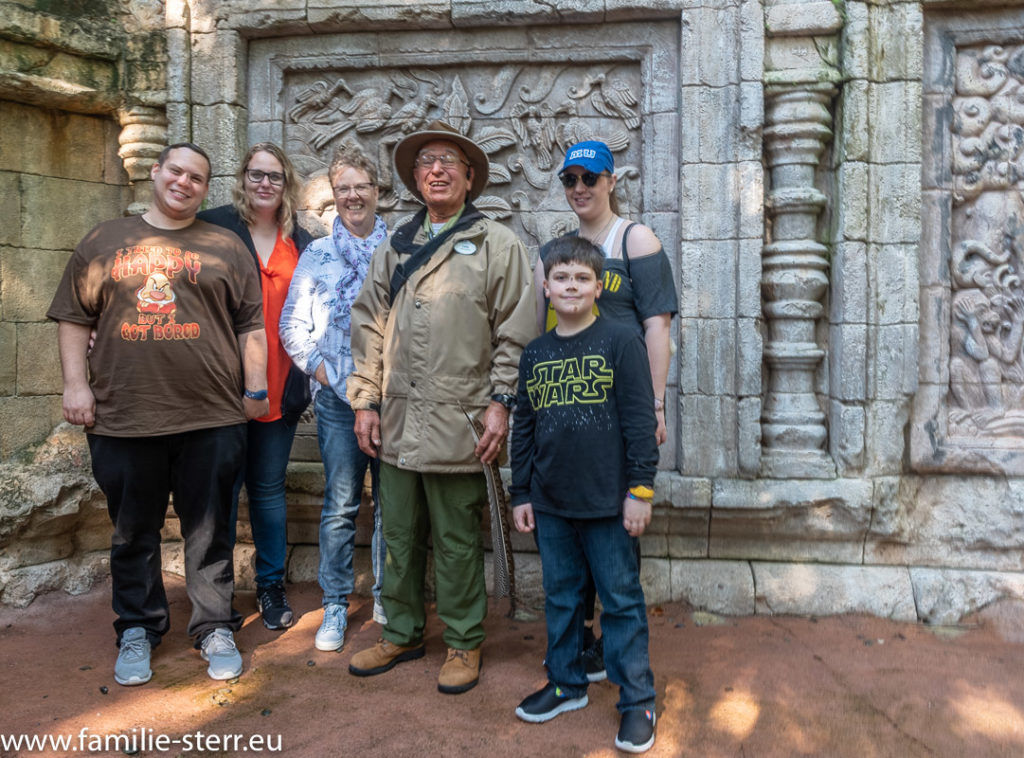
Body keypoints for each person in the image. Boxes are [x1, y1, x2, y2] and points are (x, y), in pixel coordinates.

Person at [47, 143, 268, 685]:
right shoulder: (104, 240)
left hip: (212, 416)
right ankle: (138, 630)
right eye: (176, 171)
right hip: (124, 417)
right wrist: (76, 386)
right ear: (156, 172)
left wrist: (256, 391)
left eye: (197, 178)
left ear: (206, 188)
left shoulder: (226, 246)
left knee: (211, 529)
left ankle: (214, 625)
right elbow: (74, 318)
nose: (184, 183)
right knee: (132, 532)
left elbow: (250, 327)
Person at [345, 121, 536, 694]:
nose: (437, 169)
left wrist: (501, 405)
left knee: (455, 538)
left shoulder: (498, 245)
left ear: (470, 177)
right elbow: (368, 326)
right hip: (399, 421)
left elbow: (516, 334)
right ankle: (401, 632)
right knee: (398, 534)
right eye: (427, 161)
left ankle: (463, 640)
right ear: (414, 178)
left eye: (450, 160)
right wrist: (366, 402)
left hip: (462, 420)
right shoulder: (394, 246)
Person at [536, 139, 677, 682]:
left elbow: (656, 324)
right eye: (570, 179)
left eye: (589, 179)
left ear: (611, 181)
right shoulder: (562, 249)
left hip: (624, 406)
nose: (579, 189)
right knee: (575, 523)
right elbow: (547, 328)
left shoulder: (634, 238)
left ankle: (619, 657)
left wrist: (657, 403)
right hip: (573, 408)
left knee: (616, 528)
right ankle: (584, 643)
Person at [511, 236, 659, 754]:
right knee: (561, 598)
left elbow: (641, 423)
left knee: (620, 601)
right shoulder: (536, 354)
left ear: (598, 286)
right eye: (561, 278)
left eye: (581, 278)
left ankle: (637, 699)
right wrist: (520, 492)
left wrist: (640, 489)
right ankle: (566, 682)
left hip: (608, 503)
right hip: (552, 504)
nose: (571, 286)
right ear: (546, 288)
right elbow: (524, 426)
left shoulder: (621, 342)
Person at [197, 142, 312, 631]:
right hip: (222, 388)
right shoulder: (214, 226)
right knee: (218, 492)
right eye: (255, 174)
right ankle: (215, 595)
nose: (264, 184)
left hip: (280, 386)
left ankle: (269, 586)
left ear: (287, 185)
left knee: (266, 490)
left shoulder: (303, 242)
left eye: (274, 176)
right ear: (242, 179)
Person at [279, 144, 389, 651]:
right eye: (342, 188)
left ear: (376, 190)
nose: (351, 196)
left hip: (393, 401)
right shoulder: (318, 255)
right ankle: (336, 605)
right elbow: (292, 327)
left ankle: (390, 596)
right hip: (337, 402)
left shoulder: (400, 249)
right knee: (341, 505)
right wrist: (327, 376)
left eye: (360, 186)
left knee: (394, 504)